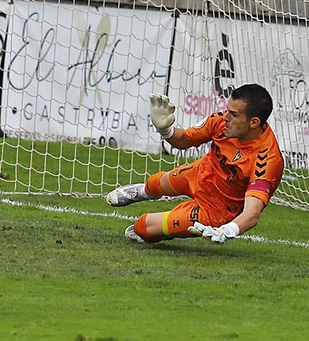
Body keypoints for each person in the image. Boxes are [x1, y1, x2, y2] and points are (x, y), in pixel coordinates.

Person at [106, 84, 284, 244]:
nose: (226, 117)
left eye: (234, 114)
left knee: (143, 227)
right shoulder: (221, 121)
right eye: (227, 110)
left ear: (254, 122)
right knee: (156, 182)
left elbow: (252, 213)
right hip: (201, 173)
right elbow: (183, 140)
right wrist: (165, 130)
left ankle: (156, 232)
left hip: (217, 208)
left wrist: (228, 229)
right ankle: (142, 192)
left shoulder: (267, 159)